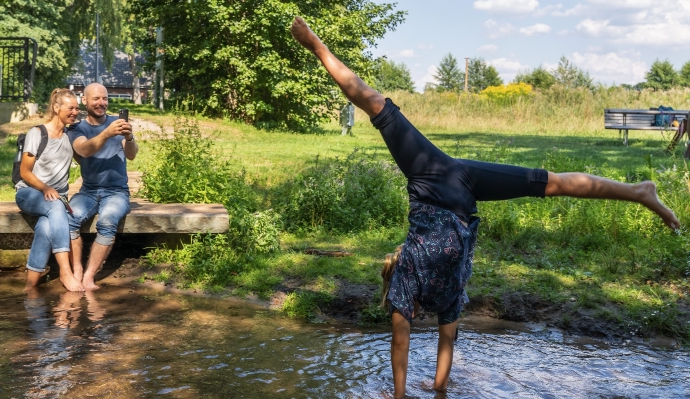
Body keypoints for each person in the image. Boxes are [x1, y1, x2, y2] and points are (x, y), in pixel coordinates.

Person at [289, 16, 680, 399]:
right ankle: (637, 191)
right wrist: (423, 391)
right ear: (397, 260)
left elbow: (423, 345)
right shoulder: (415, 283)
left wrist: (411, 394)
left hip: (448, 188)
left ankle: (640, 192)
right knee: (550, 181)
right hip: (444, 178)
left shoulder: (437, 291)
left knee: (549, 184)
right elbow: (417, 345)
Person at [67, 83, 139, 291]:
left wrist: (129, 137)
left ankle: (89, 276)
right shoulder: (77, 128)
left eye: (105, 98)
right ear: (85, 101)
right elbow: (84, 150)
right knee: (70, 218)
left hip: (117, 192)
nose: (102, 103)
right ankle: (77, 269)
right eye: (96, 99)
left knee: (107, 221)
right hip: (88, 191)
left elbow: (131, 155)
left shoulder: (118, 123)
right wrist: (107, 133)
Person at [15, 88, 84, 292]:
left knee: (45, 227)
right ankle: (65, 271)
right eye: (70, 108)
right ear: (56, 107)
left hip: (55, 198)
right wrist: (45, 188)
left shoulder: (70, 136)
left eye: (77, 109)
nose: (75, 112)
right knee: (55, 206)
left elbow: (86, 157)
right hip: (29, 193)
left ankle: (30, 287)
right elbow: (24, 172)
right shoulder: (37, 133)